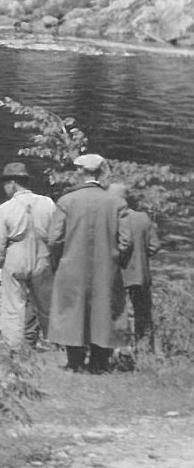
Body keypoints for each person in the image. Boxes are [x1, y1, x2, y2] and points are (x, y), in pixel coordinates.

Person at [48, 153, 132, 374]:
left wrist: (59, 260)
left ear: (79, 172)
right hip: (107, 266)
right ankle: (99, 363)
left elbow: (54, 238)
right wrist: (118, 261)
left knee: (71, 311)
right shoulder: (117, 202)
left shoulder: (66, 201)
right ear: (100, 172)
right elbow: (126, 241)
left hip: (72, 265)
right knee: (105, 310)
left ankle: (75, 362)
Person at [0, 162, 56, 350]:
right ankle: (53, 342)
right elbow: (56, 233)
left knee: (14, 303)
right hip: (42, 252)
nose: (4, 188)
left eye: (5, 184)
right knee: (47, 303)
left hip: (16, 252)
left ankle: (14, 346)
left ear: (12, 183)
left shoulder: (5, 208)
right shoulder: (47, 203)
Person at [110, 182, 160, 355]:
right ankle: (145, 349)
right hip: (140, 273)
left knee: (118, 312)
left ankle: (121, 349)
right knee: (142, 313)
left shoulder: (111, 220)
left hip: (118, 274)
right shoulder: (143, 218)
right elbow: (154, 246)